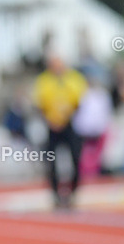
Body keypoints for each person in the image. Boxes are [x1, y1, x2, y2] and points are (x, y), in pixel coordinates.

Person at [34, 54, 89, 208]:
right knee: (51, 161)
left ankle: (74, 192)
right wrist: (50, 120)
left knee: (75, 159)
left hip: (70, 125)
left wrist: (66, 117)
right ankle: (55, 194)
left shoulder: (74, 78)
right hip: (51, 125)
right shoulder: (44, 80)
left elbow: (79, 101)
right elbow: (40, 103)